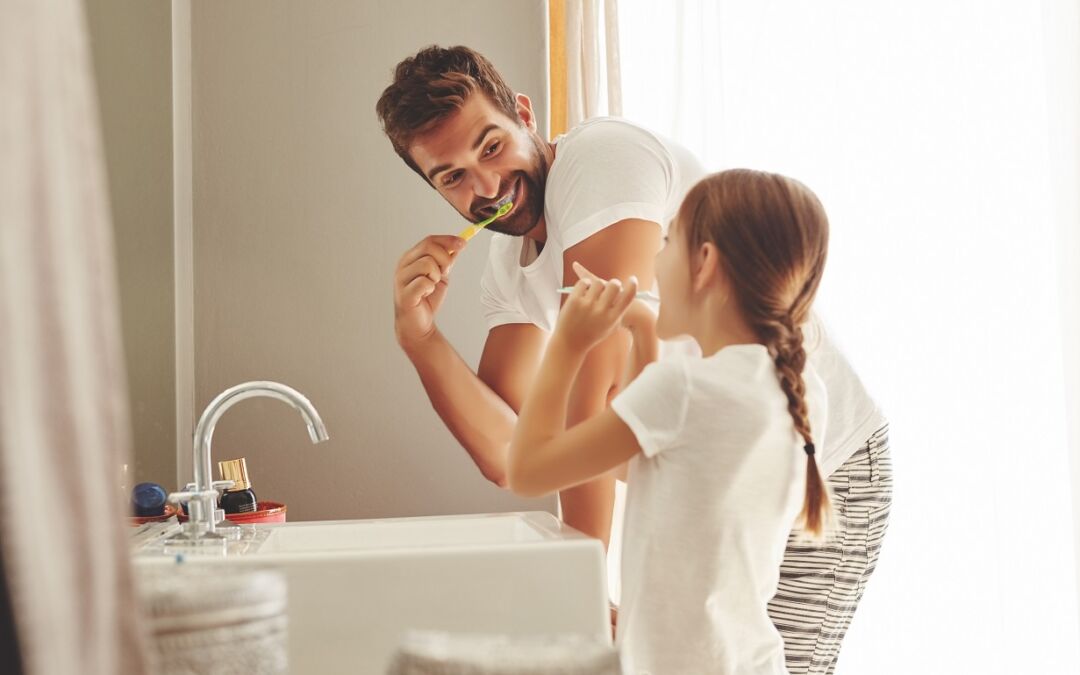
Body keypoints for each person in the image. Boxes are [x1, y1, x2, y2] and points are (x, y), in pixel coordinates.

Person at [377, 45, 891, 674]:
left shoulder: (600, 162)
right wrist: (419, 338)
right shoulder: (508, 268)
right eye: (452, 176)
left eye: (490, 147)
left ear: (525, 114)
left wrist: (582, 595)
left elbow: (589, 397)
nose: (487, 188)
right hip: (707, 480)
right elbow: (514, 456)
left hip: (822, 463)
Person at [506, 169, 830, 673]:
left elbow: (527, 471)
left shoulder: (683, 389)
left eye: (667, 239)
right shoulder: (799, 388)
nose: (655, 259)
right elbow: (645, 464)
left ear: (704, 263)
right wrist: (640, 330)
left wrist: (568, 344)